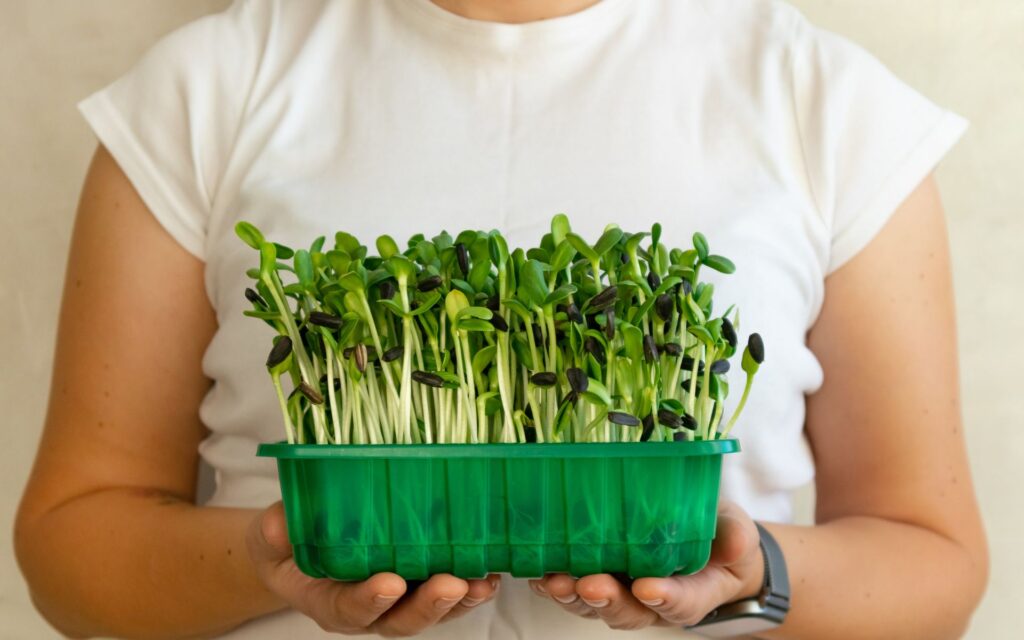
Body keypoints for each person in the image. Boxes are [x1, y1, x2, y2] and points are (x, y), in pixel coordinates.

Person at [14, 0, 988, 638]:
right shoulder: (207, 89)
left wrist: (755, 569)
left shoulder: (828, 104)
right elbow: (73, 544)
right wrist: (276, 558)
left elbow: (933, 561)